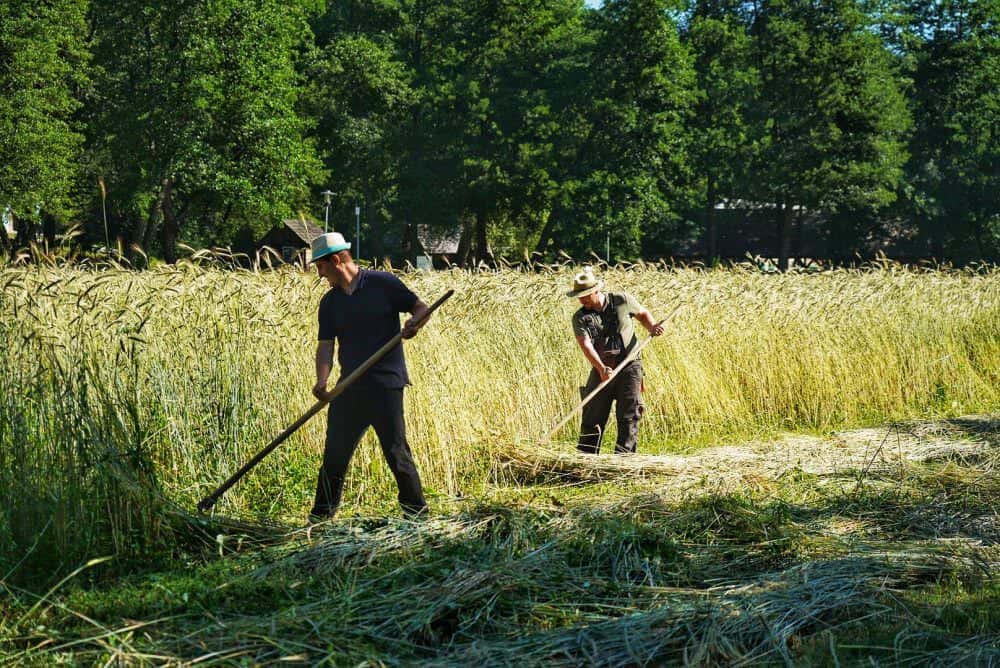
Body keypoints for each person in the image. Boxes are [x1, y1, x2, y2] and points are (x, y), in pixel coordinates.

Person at [307, 232, 432, 521]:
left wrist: (415, 324)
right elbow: (326, 346)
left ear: (336, 260)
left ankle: (417, 517)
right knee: (334, 457)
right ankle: (320, 520)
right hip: (348, 388)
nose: (320, 274)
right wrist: (322, 381)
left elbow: (421, 308)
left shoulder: (383, 284)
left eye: (321, 267)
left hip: (386, 385)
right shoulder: (330, 303)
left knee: (396, 453)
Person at [567, 267, 663, 454]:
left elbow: (642, 314)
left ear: (596, 291)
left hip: (630, 366)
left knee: (629, 415)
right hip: (602, 369)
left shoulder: (622, 301)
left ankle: (623, 462)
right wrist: (601, 368)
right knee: (592, 414)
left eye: (585, 295)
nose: (582, 300)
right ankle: (585, 461)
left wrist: (652, 327)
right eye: (579, 296)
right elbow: (586, 344)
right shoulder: (580, 318)